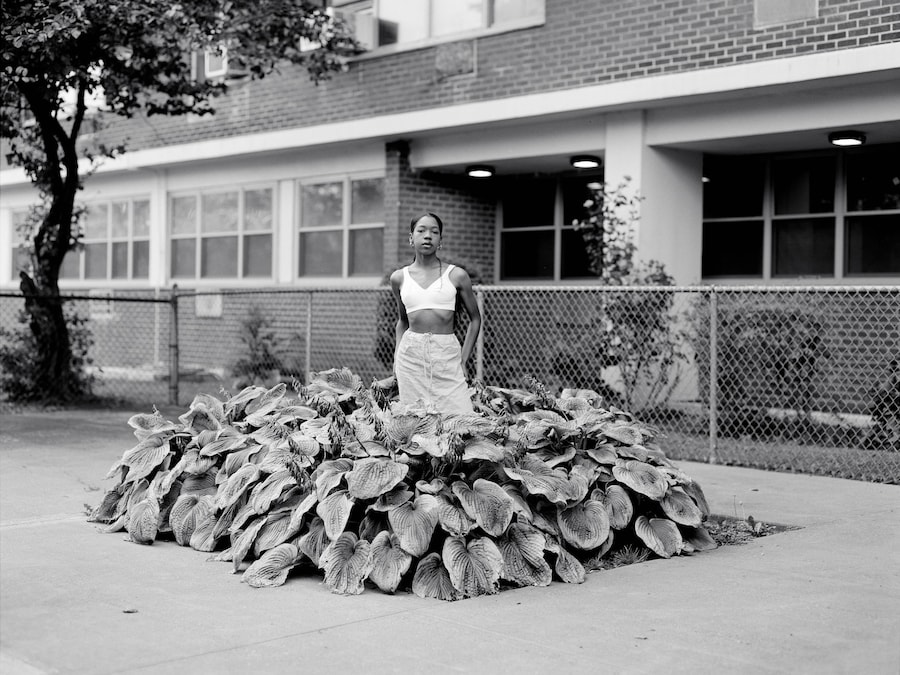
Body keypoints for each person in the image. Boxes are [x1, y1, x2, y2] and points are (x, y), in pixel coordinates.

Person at [388, 212, 481, 414]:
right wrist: (396, 359)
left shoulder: (456, 275)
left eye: (434, 231)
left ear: (440, 240)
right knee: (416, 420)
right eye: (421, 231)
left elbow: (475, 319)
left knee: (461, 415)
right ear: (411, 238)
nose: (427, 235)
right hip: (410, 356)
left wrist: (463, 361)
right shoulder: (399, 278)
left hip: (446, 353)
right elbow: (403, 322)